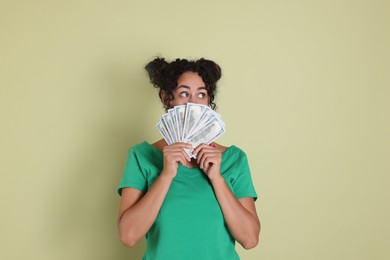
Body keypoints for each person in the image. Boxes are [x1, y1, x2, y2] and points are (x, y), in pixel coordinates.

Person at [117, 57, 260, 260]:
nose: (193, 103)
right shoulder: (142, 156)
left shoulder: (233, 159)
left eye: (201, 94)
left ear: (209, 101)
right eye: (184, 93)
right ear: (166, 98)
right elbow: (128, 236)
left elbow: (250, 239)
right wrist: (166, 175)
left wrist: (217, 179)